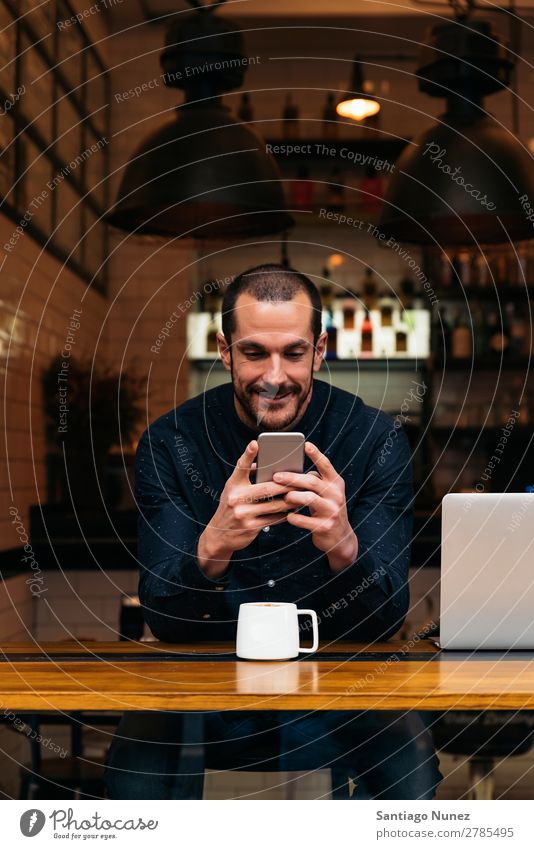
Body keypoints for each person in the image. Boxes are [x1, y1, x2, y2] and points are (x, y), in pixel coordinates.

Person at [105, 263, 442, 799]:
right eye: (254, 352)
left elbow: (386, 621)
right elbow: (163, 616)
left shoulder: (375, 439)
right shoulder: (172, 442)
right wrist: (214, 544)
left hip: (339, 687)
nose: (275, 376)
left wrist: (343, 546)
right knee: (134, 772)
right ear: (224, 350)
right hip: (202, 686)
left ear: (320, 350)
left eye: (293, 352)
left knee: (411, 767)